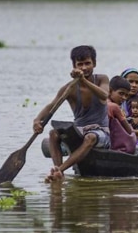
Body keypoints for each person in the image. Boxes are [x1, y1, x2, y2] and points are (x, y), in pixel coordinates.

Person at [36, 45, 110, 182]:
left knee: (90, 137)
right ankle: (58, 172)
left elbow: (104, 95)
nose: (84, 67)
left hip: (100, 133)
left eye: (87, 63)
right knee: (53, 134)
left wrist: (83, 81)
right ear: (74, 66)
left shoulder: (102, 79)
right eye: (80, 64)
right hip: (79, 131)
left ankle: (60, 170)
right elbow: (51, 106)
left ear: (94, 63)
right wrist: (37, 120)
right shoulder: (69, 88)